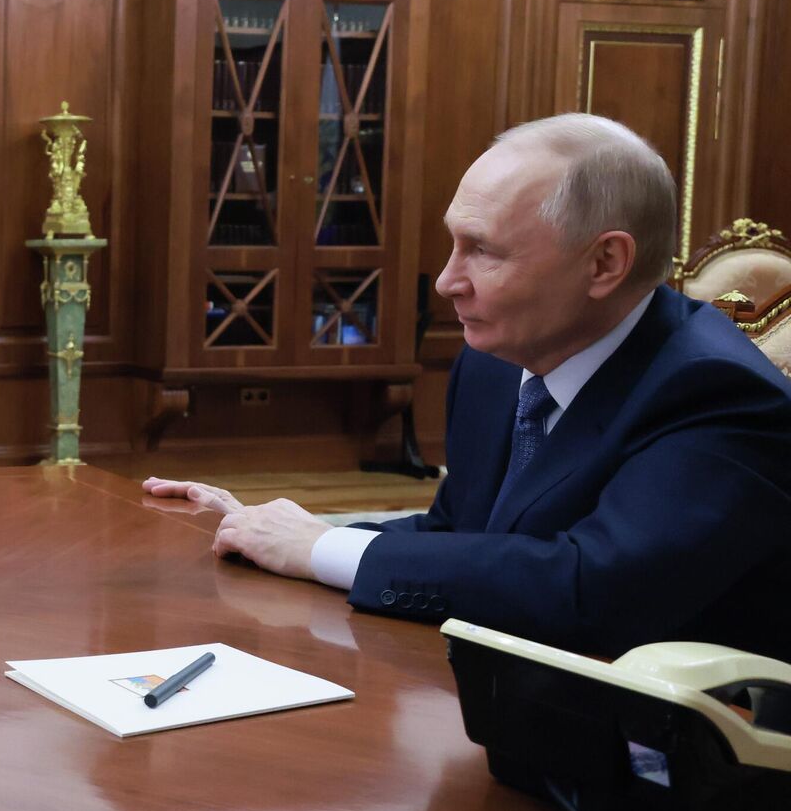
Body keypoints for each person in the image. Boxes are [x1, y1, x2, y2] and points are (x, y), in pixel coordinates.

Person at [144, 114, 791, 659]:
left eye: (483, 250)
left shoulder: (717, 392)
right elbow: (462, 530)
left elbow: (591, 589)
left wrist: (323, 548)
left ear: (604, 262)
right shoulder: (496, 362)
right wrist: (272, 533)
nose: (447, 282)